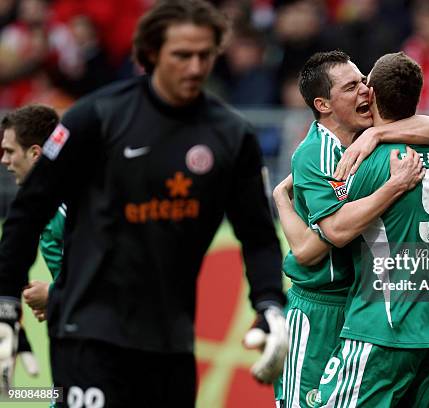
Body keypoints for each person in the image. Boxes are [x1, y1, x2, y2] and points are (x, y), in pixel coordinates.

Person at [0, 1, 287, 406]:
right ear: (151, 54)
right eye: (181, 55)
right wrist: (7, 299)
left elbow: (258, 235)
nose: (194, 68)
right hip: (90, 335)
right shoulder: (94, 118)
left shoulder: (231, 136)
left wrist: (270, 303)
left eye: (204, 55)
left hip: (169, 340)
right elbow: (27, 212)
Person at [272, 50, 429, 407]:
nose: (366, 92)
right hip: (320, 308)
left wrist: (377, 137)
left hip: (358, 306)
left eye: (364, 81)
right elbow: (320, 243)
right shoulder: (314, 154)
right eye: (352, 87)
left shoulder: (365, 137)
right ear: (323, 104)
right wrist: (393, 187)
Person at [1, 104, 64, 322]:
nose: (4, 160)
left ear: (35, 153)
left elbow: (110, 270)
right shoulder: (41, 204)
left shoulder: (71, 204)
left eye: (10, 151)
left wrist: (53, 293)